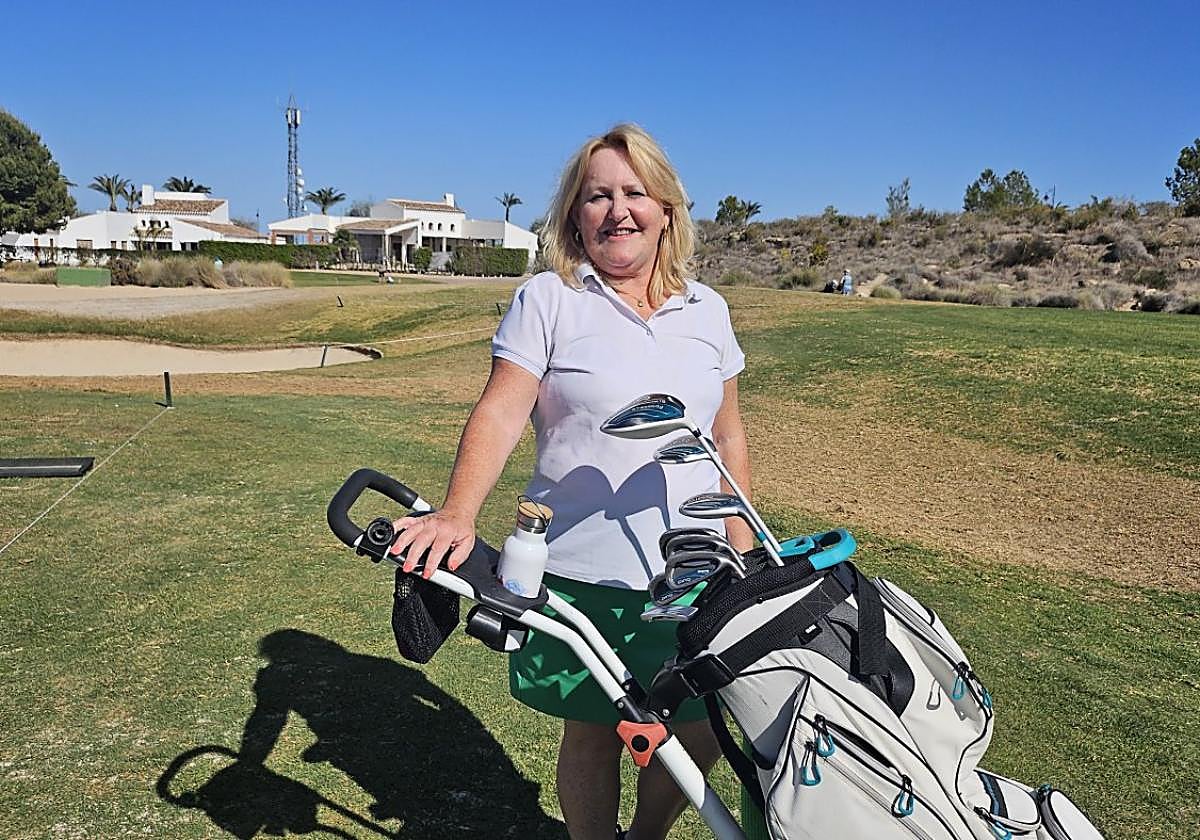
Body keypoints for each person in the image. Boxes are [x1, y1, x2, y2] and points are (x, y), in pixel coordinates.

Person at [388, 124, 758, 840]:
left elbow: (728, 436)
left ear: (666, 211)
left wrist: (741, 551)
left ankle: (644, 837)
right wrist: (458, 515)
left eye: (633, 193)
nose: (617, 210)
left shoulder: (709, 311)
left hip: (696, 574)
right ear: (574, 215)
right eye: (597, 197)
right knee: (592, 733)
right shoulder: (549, 299)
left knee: (695, 734)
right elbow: (500, 410)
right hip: (583, 574)